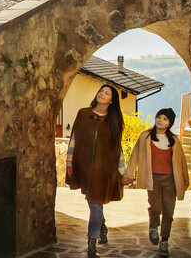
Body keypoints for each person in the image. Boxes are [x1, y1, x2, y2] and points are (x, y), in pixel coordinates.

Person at [66, 84, 125, 258]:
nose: (102, 94)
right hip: (84, 166)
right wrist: (70, 162)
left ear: (111, 100)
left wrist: (122, 171)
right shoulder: (83, 114)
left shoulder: (114, 121)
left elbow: (118, 148)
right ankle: (102, 226)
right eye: (101, 91)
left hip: (104, 171)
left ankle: (92, 244)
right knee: (93, 201)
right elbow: (74, 139)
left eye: (106, 93)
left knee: (95, 203)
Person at [122, 108, 189, 257]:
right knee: (156, 207)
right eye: (159, 117)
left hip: (170, 180)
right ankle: (153, 226)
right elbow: (134, 156)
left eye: (165, 119)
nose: (160, 120)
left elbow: (182, 162)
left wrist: (184, 181)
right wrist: (128, 174)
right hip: (153, 179)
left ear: (170, 123)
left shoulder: (174, 140)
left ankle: (164, 239)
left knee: (168, 211)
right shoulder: (145, 136)